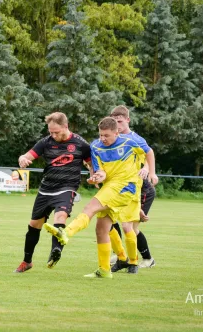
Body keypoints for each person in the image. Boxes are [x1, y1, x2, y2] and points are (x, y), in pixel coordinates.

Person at [45, 117, 156, 278]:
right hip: (110, 186)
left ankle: (66, 233)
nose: (102, 138)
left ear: (117, 132)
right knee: (102, 228)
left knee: (90, 208)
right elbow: (101, 172)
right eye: (101, 135)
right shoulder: (96, 146)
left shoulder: (129, 142)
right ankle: (105, 270)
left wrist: (151, 172)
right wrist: (96, 177)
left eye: (106, 135)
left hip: (126, 187)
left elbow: (149, 152)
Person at [13, 112, 91, 273]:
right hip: (46, 188)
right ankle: (27, 261)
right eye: (50, 132)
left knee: (60, 216)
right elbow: (28, 155)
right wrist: (23, 159)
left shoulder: (81, 144)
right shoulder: (46, 142)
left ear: (66, 127)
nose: (53, 135)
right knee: (34, 225)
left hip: (68, 187)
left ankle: (55, 251)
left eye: (56, 132)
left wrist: (95, 173)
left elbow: (92, 164)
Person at [108, 105, 159, 271]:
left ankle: (147, 258)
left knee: (131, 228)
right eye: (114, 121)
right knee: (109, 220)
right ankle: (119, 255)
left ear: (127, 120)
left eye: (120, 121)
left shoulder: (135, 138)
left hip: (142, 190)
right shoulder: (111, 140)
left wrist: (149, 171)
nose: (117, 124)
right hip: (122, 190)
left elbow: (147, 153)